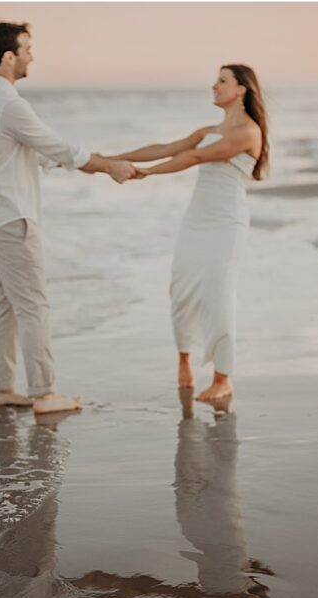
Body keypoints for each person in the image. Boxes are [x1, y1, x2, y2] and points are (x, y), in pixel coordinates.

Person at [0, 20, 136, 415]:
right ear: (9, 56)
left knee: (5, 307)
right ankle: (44, 393)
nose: (32, 56)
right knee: (33, 306)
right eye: (27, 49)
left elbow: (34, 153)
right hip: (10, 219)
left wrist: (92, 161)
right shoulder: (9, 103)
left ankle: (1, 387)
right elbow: (56, 146)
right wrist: (108, 166)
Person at [110, 65, 268, 409]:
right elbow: (167, 147)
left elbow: (196, 157)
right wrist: (112, 160)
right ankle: (184, 358)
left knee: (217, 293)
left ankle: (223, 377)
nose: (214, 85)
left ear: (242, 89)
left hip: (226, 222)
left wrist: (146, 174)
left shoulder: (248, 132)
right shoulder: (209, 129)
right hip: (196, 218)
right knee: (180, 288)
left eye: (222, 80)